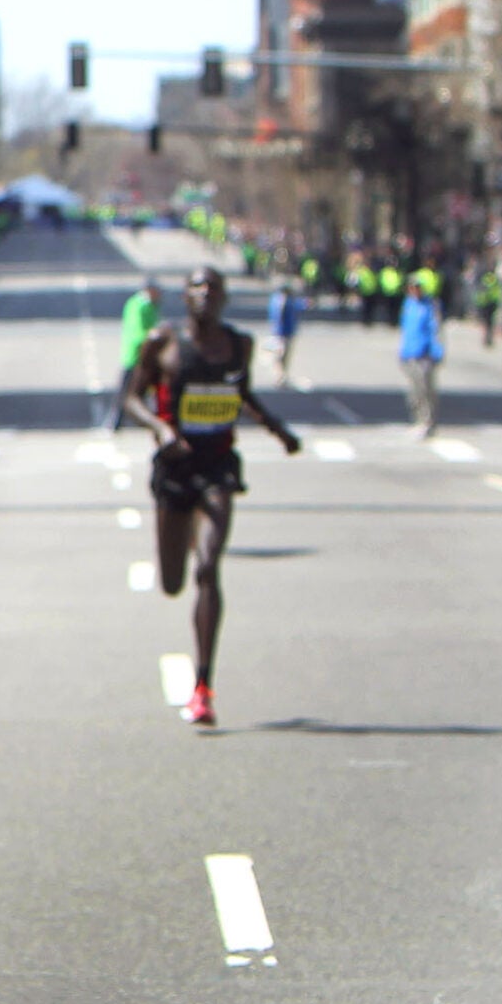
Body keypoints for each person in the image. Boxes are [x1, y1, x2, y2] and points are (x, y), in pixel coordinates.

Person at [123, 267, 302, 728]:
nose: (205, 295)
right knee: (173, 582)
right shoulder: (162, 342)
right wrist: (162, 430)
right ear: (184, 297)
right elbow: (131, 398)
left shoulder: (238, 345)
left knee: (208, 568)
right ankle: (181, 536)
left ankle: (203, 686)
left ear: (223, 298)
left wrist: (277, 430)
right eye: (197, 288)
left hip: (218, 466)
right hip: (175, 468)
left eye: (213, 289)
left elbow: (242, 393)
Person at [397, 275, 444, 438]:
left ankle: (427, 421)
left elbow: (435, 329)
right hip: (410, 353)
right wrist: (402, 351)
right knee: (413, 391)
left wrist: (437, 351)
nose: (414, 290)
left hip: (425, 354)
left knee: (426, 390)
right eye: (411, 287)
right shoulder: (408, 305)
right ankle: (417, 420)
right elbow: (406, 330)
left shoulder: (429, 306)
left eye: (417, 287)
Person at [112, 279, 159, 431]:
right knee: (126, 391)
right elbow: (137, 331)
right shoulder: (138, 305)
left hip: (148, 356)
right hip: (135, 355)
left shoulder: (151, 306)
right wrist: (154, 339)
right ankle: (115, 422)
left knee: (150, 391)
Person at [266, 277, 301, 385]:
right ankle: (280, 376)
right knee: (281, 354)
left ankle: (282, 375)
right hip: (283, 332)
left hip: (282, 331)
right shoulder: (283, 300)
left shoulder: (275, 299)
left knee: (282, 355)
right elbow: (280, 315)